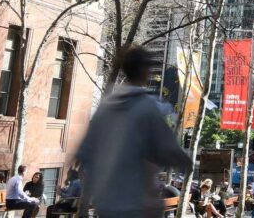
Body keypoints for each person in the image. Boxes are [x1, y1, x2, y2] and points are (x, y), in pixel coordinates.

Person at [76, 45, 193, 218]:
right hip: (137, 204)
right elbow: (168, 150)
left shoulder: (106, 106)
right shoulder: (149, 106)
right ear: (145, 71)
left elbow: (84, 153)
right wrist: (186, 160)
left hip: (106, 203)